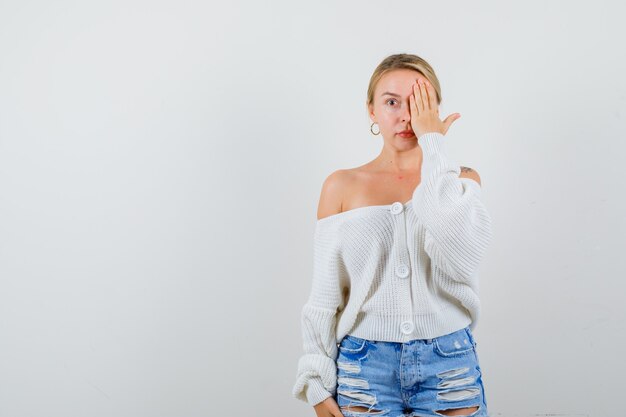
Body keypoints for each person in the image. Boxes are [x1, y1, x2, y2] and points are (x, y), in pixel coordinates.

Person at [292, 53, 493, 417]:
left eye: (419, 102)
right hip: (363, 368)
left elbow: (458, 253)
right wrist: (316, 382)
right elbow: (325, 294)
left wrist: (433, 145)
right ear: (371, 110)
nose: (405, 116)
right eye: (391, 102)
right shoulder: (340, 186)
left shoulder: (461, 181)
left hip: (449, 364)